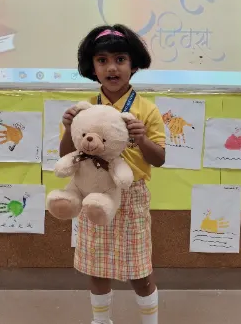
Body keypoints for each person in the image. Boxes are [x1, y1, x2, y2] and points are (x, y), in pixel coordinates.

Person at [60, 24, 166, 324]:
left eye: (120, 59)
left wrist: (142, 139)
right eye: (102, 60)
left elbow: (159, 159)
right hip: (93, 194)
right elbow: (65, 155)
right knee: (96, 268)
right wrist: (68, 128)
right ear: (92, 67)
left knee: (140, 272)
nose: (112, 68)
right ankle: (100, 321)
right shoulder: (84, 110)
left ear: (134, 65)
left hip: (132, 197)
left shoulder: (146, 109)